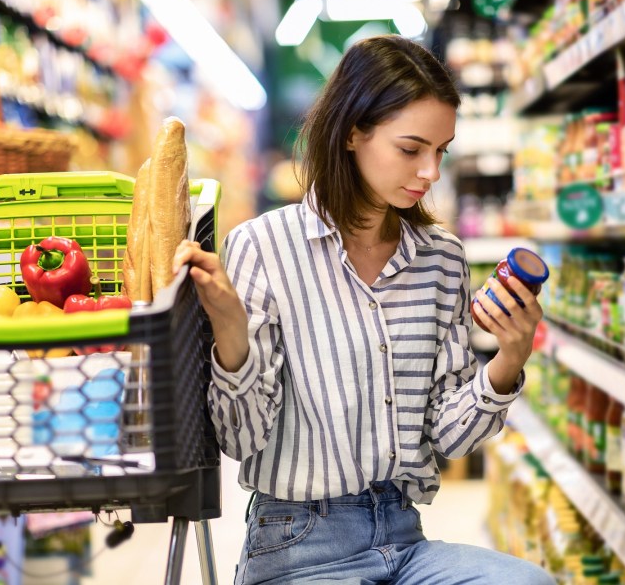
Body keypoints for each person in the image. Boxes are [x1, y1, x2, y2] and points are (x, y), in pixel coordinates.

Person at [173, 34, 554, 585]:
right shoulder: (264, 246)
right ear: (353, 132)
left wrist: (510, 358)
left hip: (403, 534)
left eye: (440, 151)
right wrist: (231, 337)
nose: (431, 173)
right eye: (411, 149)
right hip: (296, 541)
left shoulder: (441, 258)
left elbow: (449, 436)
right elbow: (240, 439)